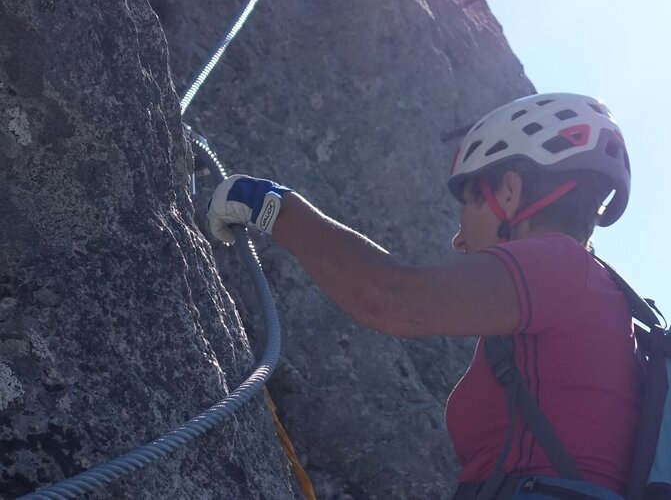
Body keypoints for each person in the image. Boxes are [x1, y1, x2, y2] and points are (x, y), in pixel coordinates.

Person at [207, 92, 642, 499]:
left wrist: (271, 205)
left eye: (469, 205)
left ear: (509, 192)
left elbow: (387, 297)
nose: (458, 239)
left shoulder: (561, 266)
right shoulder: (597, 297)